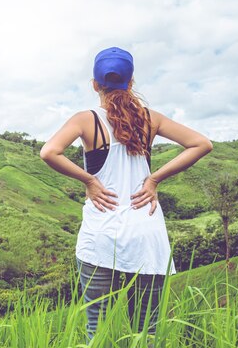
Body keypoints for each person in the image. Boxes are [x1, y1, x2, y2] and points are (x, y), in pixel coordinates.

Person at [39, 47, 213, 344]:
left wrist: (89, 181)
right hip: (145, 233)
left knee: (99, 329)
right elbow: (201, 143)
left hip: (101, 234)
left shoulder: (86, 120)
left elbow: (49, 152)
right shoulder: (150, 119)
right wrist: (154, 179)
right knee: (147, 331)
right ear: (131, 82)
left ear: (95, 84)